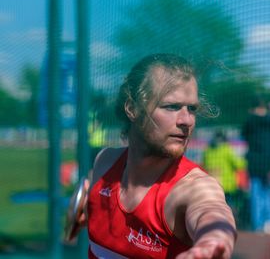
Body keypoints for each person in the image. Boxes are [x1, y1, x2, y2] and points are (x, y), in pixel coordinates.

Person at [70, 54, 237, 258]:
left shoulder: (195, 187)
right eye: (172, 107)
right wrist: (88, 206)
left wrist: (212, 244)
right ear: (132, 109)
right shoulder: (105, 163)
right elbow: (103, 204)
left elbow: (212, 213)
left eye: (192, 109)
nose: (186, 120)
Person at [202, 130, 248, 230]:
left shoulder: (208, 150)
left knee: (214, 206)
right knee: (229, 206)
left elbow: (204, 165)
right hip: (227, 185)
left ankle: (215, 225)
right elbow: (239, 164)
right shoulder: (226, 149)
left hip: (213, 185)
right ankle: (230, 224)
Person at [242, 96, 270, 232]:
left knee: (255, 194)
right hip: (268, 162)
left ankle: (257, 225)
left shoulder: (249, 121)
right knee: (267, 194)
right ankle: (267, 222)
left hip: (254, 162)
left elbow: (244, 135)